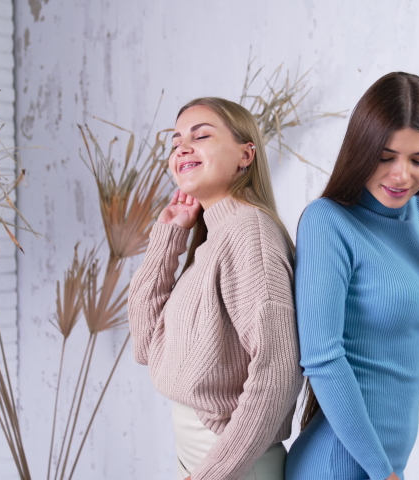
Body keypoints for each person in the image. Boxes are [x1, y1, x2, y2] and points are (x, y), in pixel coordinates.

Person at [285, 72, 419, 480]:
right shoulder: (328, 222)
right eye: (385, 157)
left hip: (383, 468)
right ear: (361, 149)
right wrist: (381, 472)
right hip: (337, 466)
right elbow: (322, 358)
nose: (402, 175)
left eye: (418, 160)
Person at [127, 97, 302, 480]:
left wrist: (215, 472)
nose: (182, 148)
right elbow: (144, 345)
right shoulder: (214, 239)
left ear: (245, 155)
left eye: (200, 136)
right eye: (176, 142)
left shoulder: (249, 233)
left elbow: (278, 370)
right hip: (202, 456)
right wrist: (168, 236)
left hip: (231, 463)